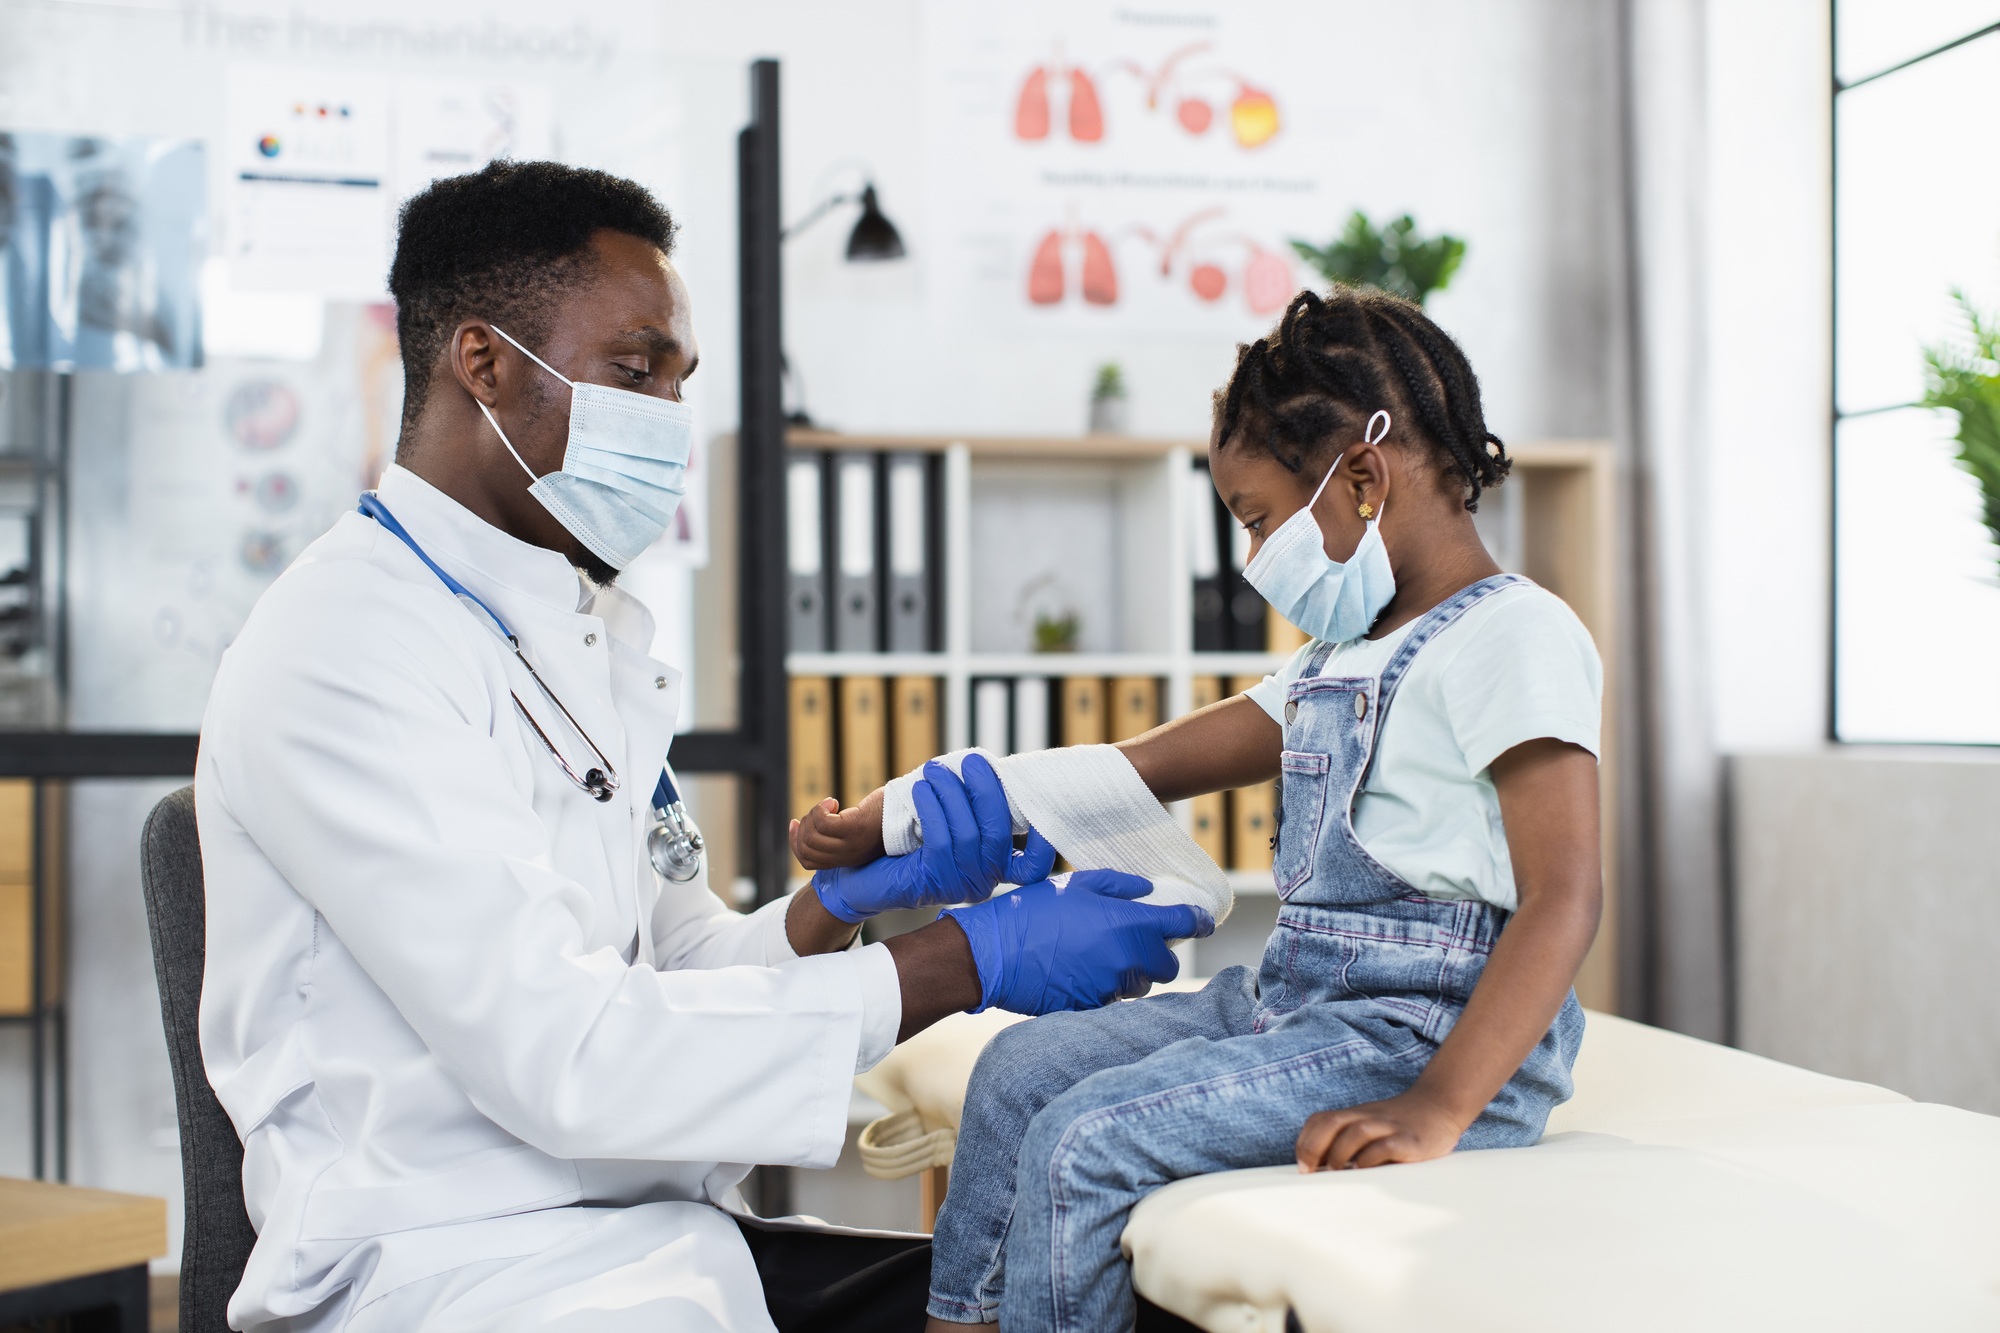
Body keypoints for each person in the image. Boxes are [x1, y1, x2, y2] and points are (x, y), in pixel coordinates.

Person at [194, 160, 1210, 1333]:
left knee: (1104, 1300)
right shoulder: (345, 646)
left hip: (642, 1239)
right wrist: (965, 964)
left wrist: (833, 912)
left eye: (679, 379)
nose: (668, 422)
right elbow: (567, 1055)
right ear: (480, 364)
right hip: (454, 1273)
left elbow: (666, 976)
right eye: (634, 372)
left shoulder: (578, 629)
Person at [797, 286, 1605, 1332]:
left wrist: (1438, 1105)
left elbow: (1564, 895)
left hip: (1420, 1033)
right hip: (1301, 1002)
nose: (1252, 558)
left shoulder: (1512, 636)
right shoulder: (1340, 657)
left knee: (1084, 1139)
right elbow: (1138, 765)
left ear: (1361, 475)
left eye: (1258, 519)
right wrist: (896, 815)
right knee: (1016, 1072)